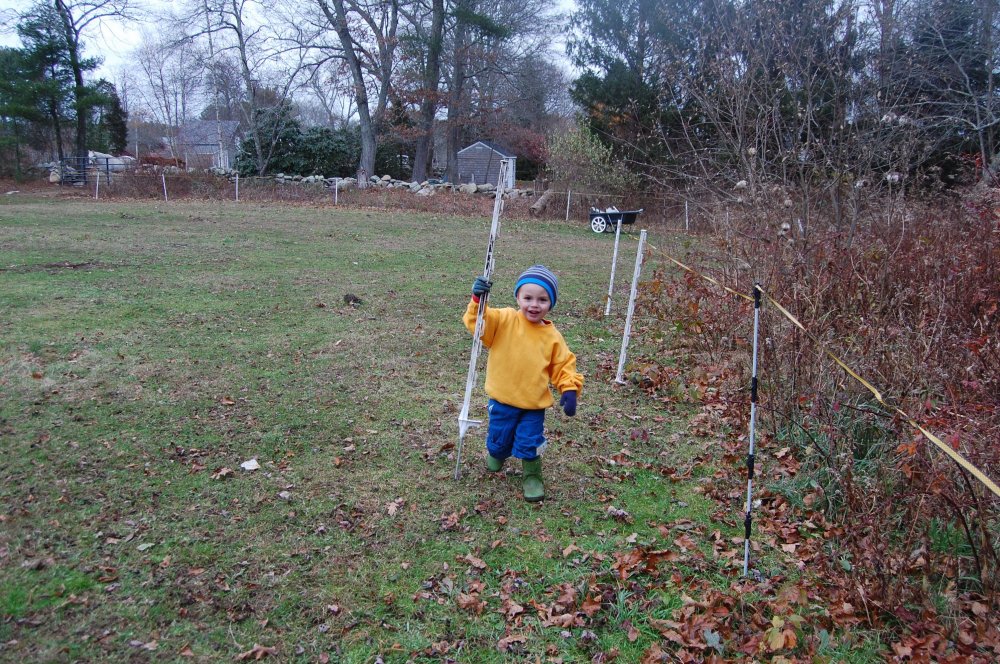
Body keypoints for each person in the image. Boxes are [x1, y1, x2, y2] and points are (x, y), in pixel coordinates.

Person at [463, 265, 584, 502]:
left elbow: (563, 365)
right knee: (499, 440)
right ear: (518, 297)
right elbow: (479, 324)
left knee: (531, 442)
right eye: (527, 298)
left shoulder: (552, 337)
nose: (534, 305)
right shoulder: (504, 319)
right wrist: (478, 300)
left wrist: (569, 388)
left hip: (533, 405)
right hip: (502, 400)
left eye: (542, 299)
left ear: (551, 304)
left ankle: (532, 475)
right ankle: (497, 453)